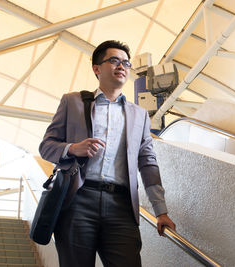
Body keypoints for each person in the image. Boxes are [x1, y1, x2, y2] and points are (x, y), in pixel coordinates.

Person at [39, 40, 176, 267]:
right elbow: (46, 146)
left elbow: (148, 163)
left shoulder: (139, 115)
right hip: (78, 201)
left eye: (126, 63)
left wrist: (161, 211)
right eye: (114, 60)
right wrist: (73, 148)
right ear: (96, 68)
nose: (121, 66)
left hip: (121, 206)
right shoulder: (73, 102)